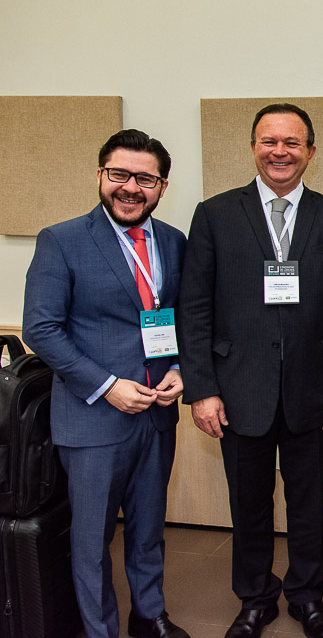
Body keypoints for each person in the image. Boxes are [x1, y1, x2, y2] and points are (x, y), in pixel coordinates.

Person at [177, 104, 323, 638]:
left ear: (311, 150)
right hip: (238, 391)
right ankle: (255, 599)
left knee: (309, 506)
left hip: (312, 391)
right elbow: (195, 308)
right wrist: (202, 389)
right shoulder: (214, 214)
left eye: (292, 142)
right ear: (253, 147)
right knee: (249, 506)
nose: (280, 152)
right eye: (269, 141)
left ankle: (307, 597)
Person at [23, 129, 188, 638]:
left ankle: (149, 615)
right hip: (93, 417)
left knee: (148, 528)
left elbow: (184, 317)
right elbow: (41, 329)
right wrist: (108, 385)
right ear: (100, 175)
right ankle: (100, 631)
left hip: (158, 413)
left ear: (162, 186)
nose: (131, 187)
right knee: (91, 540)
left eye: (145, 179)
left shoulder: (174, 242)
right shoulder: (62, 239)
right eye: (120, 174)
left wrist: (181, 370)